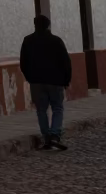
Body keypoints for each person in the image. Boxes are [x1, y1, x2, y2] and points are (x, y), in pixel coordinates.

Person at [19, 14, 72, 150]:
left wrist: (29, 77)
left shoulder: (28, 40)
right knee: (57, 108)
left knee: (41, 110)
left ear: (35, 25)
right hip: (55, 81)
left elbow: (23, 63)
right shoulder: (56, 41)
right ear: (48, 25)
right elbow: (65, 62)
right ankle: (55, 134)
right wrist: (66, 79)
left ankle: (47, 137)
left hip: (36, 81)